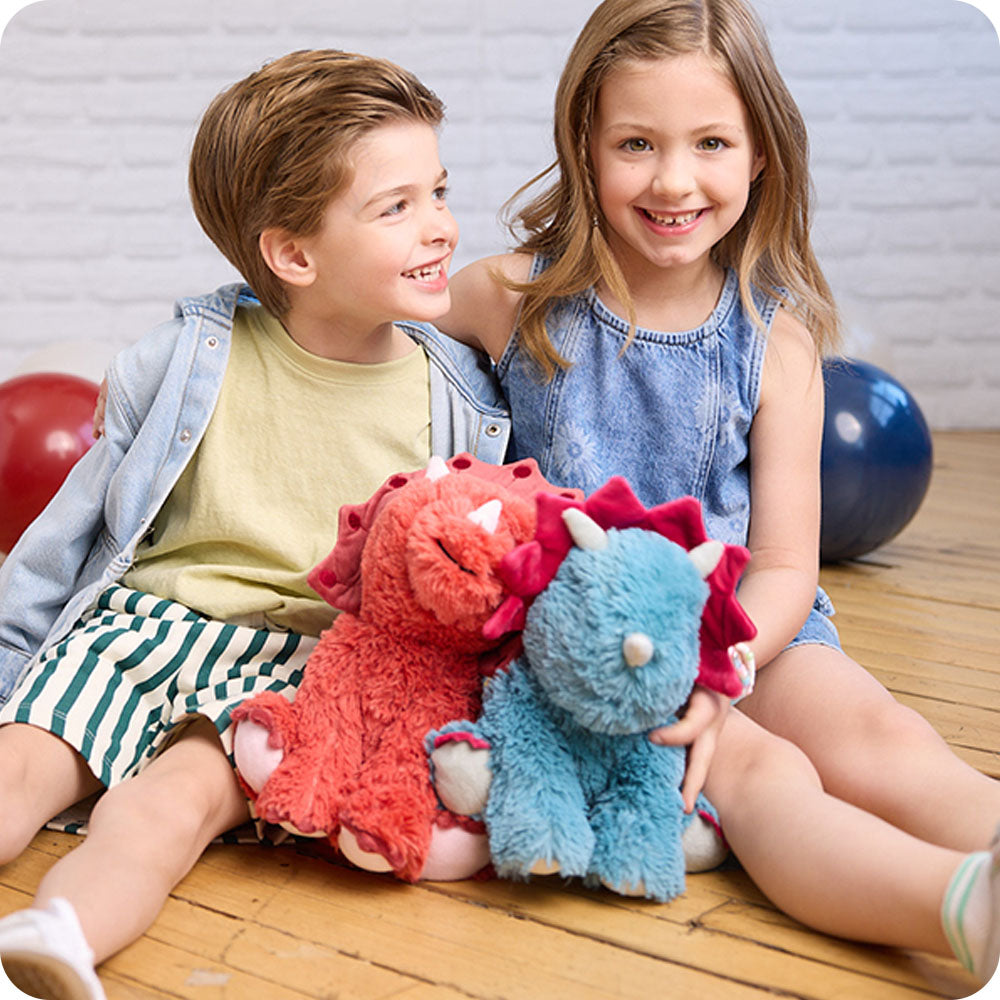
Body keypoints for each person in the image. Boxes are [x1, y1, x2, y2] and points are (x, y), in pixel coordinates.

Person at [437, 0, 1000, 984]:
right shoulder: (513, 296)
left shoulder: (776, 339)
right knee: (767, 779)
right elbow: (372, 322)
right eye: (636, 143)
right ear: (584, 146)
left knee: (880, 737)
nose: (673, 179)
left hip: (743, 633)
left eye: (710, 143)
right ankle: (962, 908)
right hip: (586, 655)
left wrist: (720, 670)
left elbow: (783, 564)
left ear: (760, 155)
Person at [0, 49, 507, 1000]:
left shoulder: (461, 401)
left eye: (438, 192)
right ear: (294, 255)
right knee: (16, 769)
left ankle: (57, 938)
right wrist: (11, 661)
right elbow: (66, 534)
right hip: (136, 632)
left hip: (290, 673)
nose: (440, 225)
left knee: (169, 808)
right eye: (396, 207)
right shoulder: (186, 360)